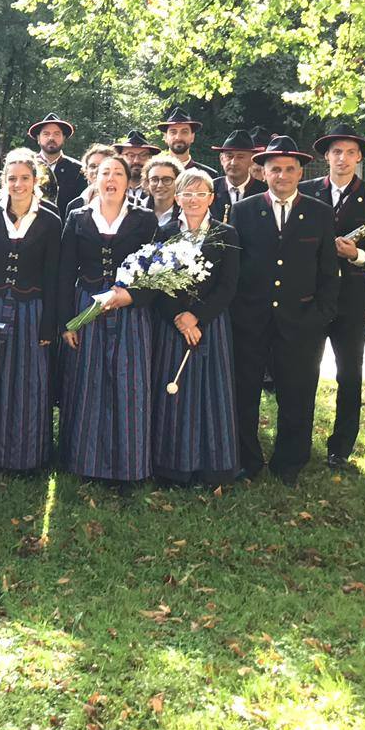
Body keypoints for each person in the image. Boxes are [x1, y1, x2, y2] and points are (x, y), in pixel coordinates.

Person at [228, 135, 340, 486]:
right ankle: (247, 458)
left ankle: (290, 462)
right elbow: (234, 267)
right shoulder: (243, 210)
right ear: (262, 171)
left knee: (298, 393)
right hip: (250, 319)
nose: (283, 175)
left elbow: (328, 271)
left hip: (301, 321)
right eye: (275, 169)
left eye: (290, 169)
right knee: (244, 393)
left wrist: (320, 315)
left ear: (300, 171)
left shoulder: (319, 212)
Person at [58, 156, 159, 488]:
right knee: (87, 386)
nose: (111, 179)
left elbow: (155, 272)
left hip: (130, 312)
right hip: (86, 309)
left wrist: (131, 296)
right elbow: (64, 273)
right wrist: (67, 323)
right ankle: (85, 464)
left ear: (128, 181)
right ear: (94, 178)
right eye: (105, 173)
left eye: (118, 173)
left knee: (129, 388)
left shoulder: (144, 219)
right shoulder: (77, 217)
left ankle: (127, 468)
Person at [0, 149, 60, 472]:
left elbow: (53, 275)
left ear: (36, 180)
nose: (18, 185)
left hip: (31, 309)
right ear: (4, 180)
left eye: (24, 178)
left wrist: (48, 326)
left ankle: (24, 457)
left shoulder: (49, 219)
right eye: (12, 178)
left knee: (26, 382)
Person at [301, 124, 365, 469]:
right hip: (310, 296)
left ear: (359, 158)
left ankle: (340, 449)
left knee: (349, 374)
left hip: (351, 297)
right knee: (304, 373)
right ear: (326, 156)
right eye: (336, 151)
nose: (343, 158)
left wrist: (357, 255)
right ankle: (298, 441)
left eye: (350, 152)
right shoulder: (305, 191)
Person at [151, 169, 241, 486]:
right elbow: (156, 283)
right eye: (186, 194)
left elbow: (229, 285)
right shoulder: (162, 232)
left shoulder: (227, 233)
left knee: (211, 393)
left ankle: (212, 466)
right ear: (177, 197)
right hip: (172, 326)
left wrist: (197, 317)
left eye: (200, 194)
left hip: (210, 325)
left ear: (211, 198)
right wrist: (178, 316)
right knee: (174, 396)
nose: (193, 200)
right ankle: (173, 466)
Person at [27, 113, 87, 211]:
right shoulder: (27, 166)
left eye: (57, 134)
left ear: (63, 138)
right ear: (38, 138)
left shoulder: (78, 170)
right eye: (46, 134)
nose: (51, 138)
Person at [210, 129, 266, 219]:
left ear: (252, 160)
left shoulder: (264, 192)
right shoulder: (210, 189)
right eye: (229, 156)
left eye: (240, 157)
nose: (233, 162)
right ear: (221, 159)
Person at [154, 107, 217, 177]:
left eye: (184, 132)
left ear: (192, 137)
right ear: (165, 137)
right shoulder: (154, 173)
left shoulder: (209, 175)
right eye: (173, 132)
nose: (178, 137)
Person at [143, 155, 183, 226]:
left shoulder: (186, 213)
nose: (160, 185)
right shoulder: (137, 210)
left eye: (167, 180)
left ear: (178, 182)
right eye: (154, 180)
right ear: (147, 182)